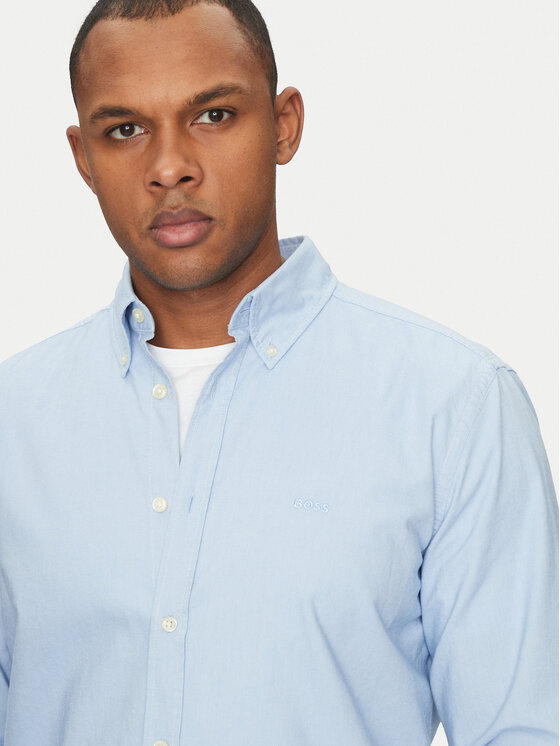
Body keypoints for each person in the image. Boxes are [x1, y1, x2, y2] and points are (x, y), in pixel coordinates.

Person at [0, 0, 556, 744]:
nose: (169, 167)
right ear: (82, 159)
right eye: (125, 129)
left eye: (213, 115)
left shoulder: (453, 408)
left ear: (284, 125)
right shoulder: (13, 423)